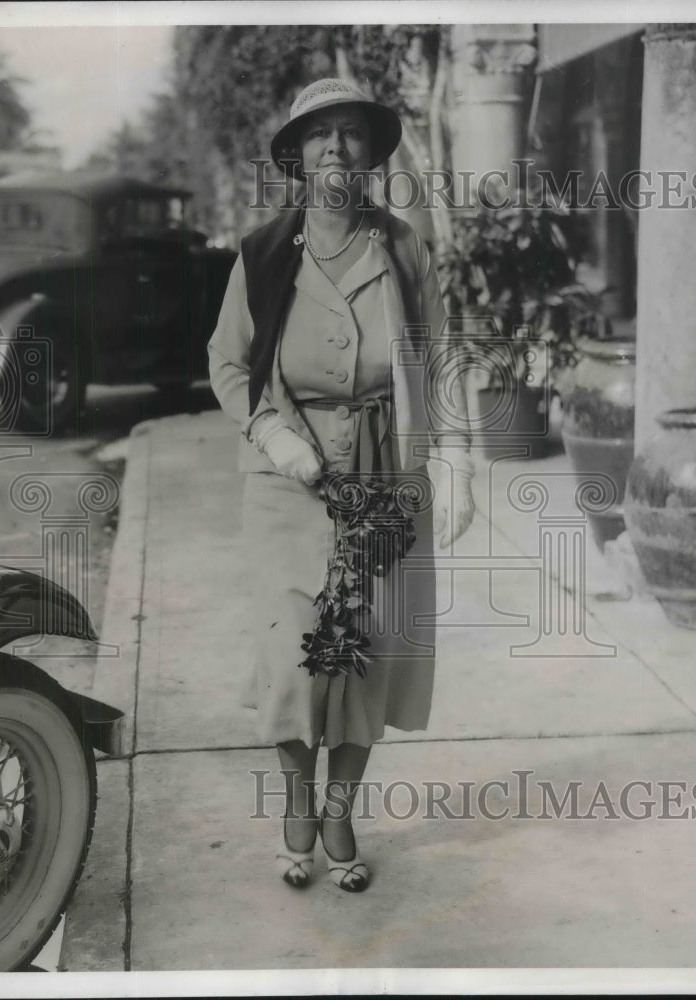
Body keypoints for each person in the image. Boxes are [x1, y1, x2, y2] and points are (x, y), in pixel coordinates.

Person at [208, 78, 475, 893]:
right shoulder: (259, 255)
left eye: (351, 135)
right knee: (296, 658)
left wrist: (455, 459)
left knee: (365, 655)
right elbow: (227, 363)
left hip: (384, 469)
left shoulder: (402, 247)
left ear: (370, 154)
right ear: (294, 155)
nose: (334, 150)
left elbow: (436, 357)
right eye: (318, 136)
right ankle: (295, 794)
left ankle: (340, 807)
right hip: (287, 484)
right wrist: (273, 433)